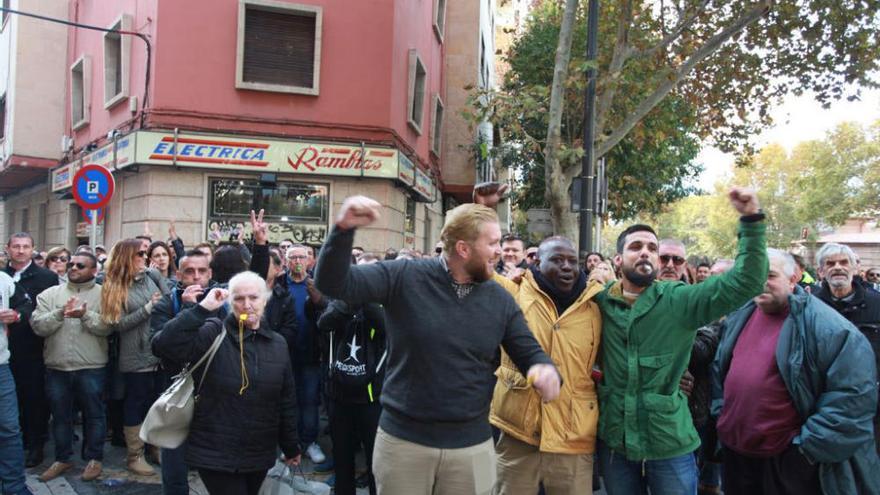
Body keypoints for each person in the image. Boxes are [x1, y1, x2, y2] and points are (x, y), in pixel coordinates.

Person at [315, 196, 561, 495]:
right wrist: (343, 230)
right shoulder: (404, 276)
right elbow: (334, 285)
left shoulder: (501, 299)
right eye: (493, 243)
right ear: (463, 248)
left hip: (474, 448)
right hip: (403, 444)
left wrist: (543, 369)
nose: (501, 252)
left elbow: (528, 351)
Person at [594, 188, 768, 494]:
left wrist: (751, 220)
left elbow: (747, 281)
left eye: (652, 247)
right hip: (616, 444)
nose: (645, 251)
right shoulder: (598, 301)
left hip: (670, 444)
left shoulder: (680, 300)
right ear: (618, 259)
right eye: (636, 246)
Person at [712, 249, 880, 494]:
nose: (760, 283)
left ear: (793, 279)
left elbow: (852, 399)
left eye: (769, 275)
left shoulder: (831, 329)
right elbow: (720, 371)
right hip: (737, 455)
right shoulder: (740, 316)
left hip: (786, 463)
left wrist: (804, 451)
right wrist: (722, 419)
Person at [152, 272, 301, 495]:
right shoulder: (214, 332)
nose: (247, 305)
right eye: (239, 299)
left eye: (254, 297)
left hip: (259, 452)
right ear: (229, 302)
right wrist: (201, 309)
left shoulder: (277, 343)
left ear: (265, 300)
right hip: (215, 451)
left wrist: (291, 446)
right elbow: (163, 345)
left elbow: (285, 399)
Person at [490, 236, 603, 495]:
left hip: (573, 437)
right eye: (557, 259)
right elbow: (476, 268)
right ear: (536, 262)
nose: (566, 267)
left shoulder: (596, 305)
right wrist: (482, 209)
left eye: (572, 261)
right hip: (518, 433)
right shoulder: (514, 292)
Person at [30, 253, 110, 482]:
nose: (73, 267)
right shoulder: (50, 294)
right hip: (57, 367)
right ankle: (62, 458)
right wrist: (59, 313)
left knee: (94, 415)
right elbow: (37, 326)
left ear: (94, 270)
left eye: (80, 265)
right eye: (71, 264)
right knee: (60, 416)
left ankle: (94, 459)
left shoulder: (104, 295)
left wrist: (85, 315)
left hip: (91, 366)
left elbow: (108, 327)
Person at [150, 248, 224, 495]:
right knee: (174, 460)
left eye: (202, 271)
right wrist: (190, 311)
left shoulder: (224, 300)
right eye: (189, 271)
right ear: (179, 275)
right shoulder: (167, 302)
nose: (196, 277)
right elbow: (161, 346)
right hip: (178, 390)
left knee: (220, 464)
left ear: (210, 273)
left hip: (217, 391)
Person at [317, 255, 386, 495]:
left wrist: (366, 301)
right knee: (342, 457)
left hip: (372, 399)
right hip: (339, 395)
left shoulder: (382, 304)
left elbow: (387, 328)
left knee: (375, 460)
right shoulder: (339, 301)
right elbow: (324, 323)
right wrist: (349, 302)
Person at [100, 239, 165, 476]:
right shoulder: (114, 284)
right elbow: (116, 324)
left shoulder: (152, 276)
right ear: (126, 256)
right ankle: (134, 455)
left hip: (159, 349)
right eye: (140, 253)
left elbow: (169, 301)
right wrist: (148, 308)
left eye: (146, 253)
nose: (145, 258)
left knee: (157, 402)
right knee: (136, 402)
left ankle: (156, 447)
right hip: (135, 354)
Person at [811, 242, 880, 451]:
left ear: (855, 267)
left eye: (843, 262)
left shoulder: (877, 304)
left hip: (869, 406)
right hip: (821, 405)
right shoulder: (807, 306)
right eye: (830, 263)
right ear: (820, 271)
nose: (837, 267)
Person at [4, 232, 58, 468]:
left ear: (33, 249)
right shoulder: (2, 276)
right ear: (8, 249)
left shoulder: (46, 277)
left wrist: (20, 316)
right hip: (4, 349)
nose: (20, 251)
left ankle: (35, 445)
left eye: (25, 246)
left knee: (33, 398)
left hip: (32, 346)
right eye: (16, 246)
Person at [284, 244, 327, 464]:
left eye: (302, 256)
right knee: (289, 401)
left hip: (311, 352)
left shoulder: (319, 284)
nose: (298, 261)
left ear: (310, 261)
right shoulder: (280, 284)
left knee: (310, 401)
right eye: (293, 257)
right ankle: (291, 444)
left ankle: (309, 441)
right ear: (286, 261)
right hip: (285, 354)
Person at [0, 270, 34, 495]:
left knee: (10, 428)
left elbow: (25, 304)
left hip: (1, 367)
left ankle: (14, 487)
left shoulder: (3, 279)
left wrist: (16, 315)